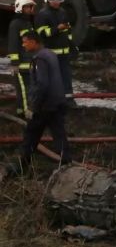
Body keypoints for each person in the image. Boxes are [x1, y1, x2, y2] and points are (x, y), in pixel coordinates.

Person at [16, 31, 70, 173]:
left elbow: (42, 84)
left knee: (30, 135)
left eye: (25, 41)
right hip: (57, 102)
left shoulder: (39, 58)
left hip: (44, 105)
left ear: (34, 42)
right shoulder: (50, 54)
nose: (23, 44)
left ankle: (20, 168)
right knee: (59, 134)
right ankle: (67, 164)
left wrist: (33, 107)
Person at [34, 0, 74, 107]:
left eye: (59, 1)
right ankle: (52, 101)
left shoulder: (63, 12)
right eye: (55, 1)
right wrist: (57, 28)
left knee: (66, 76)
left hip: (64, 52)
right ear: (48, 0)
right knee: (51, 78)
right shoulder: (42, 14)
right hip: (50, 54)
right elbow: (42, 33)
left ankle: (69, 100)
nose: (57, 4)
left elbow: (68, 31)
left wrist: (72, 45)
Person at [9, 0, 36, 117]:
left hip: (29, 62)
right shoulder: (16, 24)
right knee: (24, 91)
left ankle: (21, 111)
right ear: (20, 8)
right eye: (28, 7)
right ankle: (26, 114)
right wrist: (15, 64)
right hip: (21, 65)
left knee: (26, 89)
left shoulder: (28, 23)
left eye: (31, 7)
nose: (30, 9)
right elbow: (13, 44)